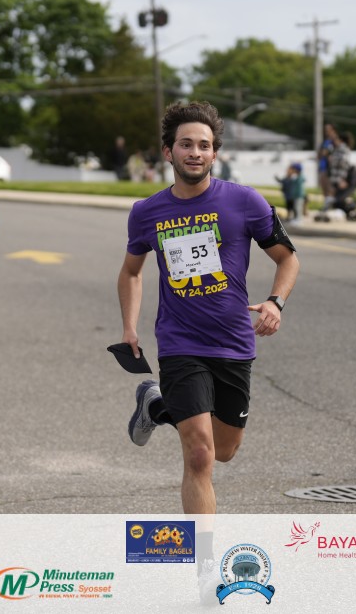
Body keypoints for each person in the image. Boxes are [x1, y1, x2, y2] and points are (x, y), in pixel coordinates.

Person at [117, 100, 300, 518]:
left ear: (215, 153)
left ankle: (156, 404)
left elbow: (288, 258)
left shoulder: (245, 201)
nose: (195, 153)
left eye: (204, 145)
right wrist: (129, 327)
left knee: (224, 450)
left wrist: (275, 302)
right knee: (199, 454)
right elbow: (130, 272)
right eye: (186, 144)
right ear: (169, 152)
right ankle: (202, 555)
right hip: (180, 341)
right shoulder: (146, 213)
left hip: (233, 342)